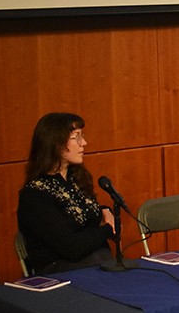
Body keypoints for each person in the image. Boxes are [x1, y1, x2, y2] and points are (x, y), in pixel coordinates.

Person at [17, 113, 114, 275]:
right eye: (76, 137)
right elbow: (72, 248)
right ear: (56, 144)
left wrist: (105, 210)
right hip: (60, 274)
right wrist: (108, 230)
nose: (84, 143)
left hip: (91, 265)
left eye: (82, 136)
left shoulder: (75, 179)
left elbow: (83, 215)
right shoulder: (35, 195)